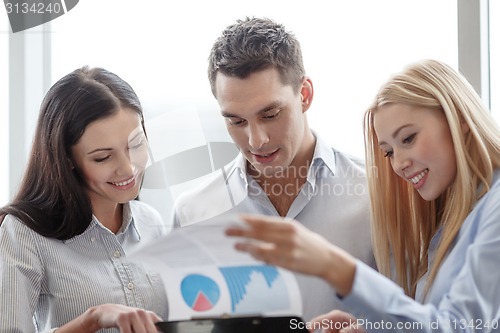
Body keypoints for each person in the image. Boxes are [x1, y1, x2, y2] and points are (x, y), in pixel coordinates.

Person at [226, 59, 500, 332]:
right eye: (389, 152)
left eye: (408, 138)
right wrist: (372, 328)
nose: (399, 164)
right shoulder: (452, 218)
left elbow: (461, 327)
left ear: (460, 119)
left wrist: (336, 267)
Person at [172, 17, 375, 321]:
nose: (256, 140)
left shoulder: (377, 195)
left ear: (304, 94)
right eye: (236, 121)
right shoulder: (192, 214)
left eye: (270, 114)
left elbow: (414, 316)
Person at [0, 67, 169, 333]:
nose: (127, 169)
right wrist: (92, 319)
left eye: (136, 144)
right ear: (66, 159)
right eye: (103, 157)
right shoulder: (24, 233)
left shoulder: (151, 221)